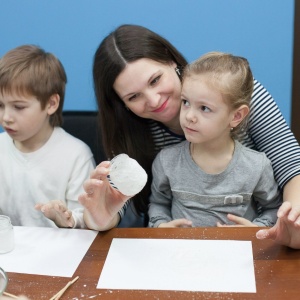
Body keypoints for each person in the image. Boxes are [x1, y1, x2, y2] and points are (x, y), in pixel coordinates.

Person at [78, 24, 300, 248]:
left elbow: (290, 165)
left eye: (155, 80)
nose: (154, 100)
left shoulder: (236, 93)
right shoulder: (134, 133)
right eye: (134, 96)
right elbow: (120, 203)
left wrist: (287, 223)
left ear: (171, 61)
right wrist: (99, 216)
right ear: (122, 104)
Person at [148, 51, 282, 228]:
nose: (189, 116)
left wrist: (257, 229)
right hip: (181, 252)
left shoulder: (257, 166)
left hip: (236, 252)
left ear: (236, 116)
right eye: (186, 102)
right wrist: (160, 225)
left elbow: (273, 209)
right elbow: (158, 204)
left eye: (204, 108)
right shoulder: (167, 161)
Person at [0, 45, 95, 228]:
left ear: (51, 104)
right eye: (0, 105)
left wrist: (64, 218)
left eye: (18, 107)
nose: (6, 117)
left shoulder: (76, 155)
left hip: (61, 252)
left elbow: (86, 220)